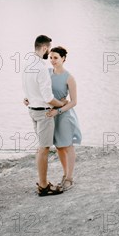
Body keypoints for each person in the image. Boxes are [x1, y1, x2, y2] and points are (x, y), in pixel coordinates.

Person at [22, 35, 67, 196]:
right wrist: (62, 104)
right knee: (44, 149)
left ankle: (43, 182)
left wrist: (29, 98)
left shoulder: (27, 62)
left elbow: (26, 85)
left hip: (33, 110)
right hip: (43, 113)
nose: (49, 54)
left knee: (40, 148)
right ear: (44, 48)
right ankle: (43, 185)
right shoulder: (41, 67)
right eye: (49, 49)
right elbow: (48, 98)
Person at [45, 46, 82, 191]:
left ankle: (69, 178)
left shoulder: (69, 77)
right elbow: (40, 90)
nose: (52, 61)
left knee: (67, 146)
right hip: (51, 115)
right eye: (51, 58)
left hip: (64, 115)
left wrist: (58, 110)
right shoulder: (47, 73)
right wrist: (28, 98)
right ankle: (65, 174)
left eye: (56, 58)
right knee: (59, 146)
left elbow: (73, 102)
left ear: (63, 59)